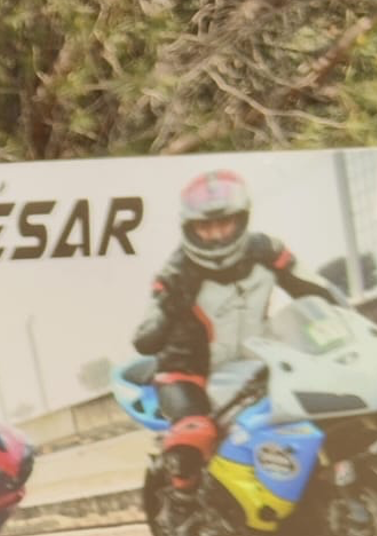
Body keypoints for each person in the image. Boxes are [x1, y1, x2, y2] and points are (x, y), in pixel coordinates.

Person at [128, 169, 338, 489]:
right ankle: (182, 503)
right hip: (188, 373)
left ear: (241, 219)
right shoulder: (175, 273)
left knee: (319, 407)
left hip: (258, 361)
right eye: (206, 226)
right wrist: (161, 316)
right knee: (194, 436)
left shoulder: (267, 252)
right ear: (190, 228)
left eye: (224, 223)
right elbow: (146, 334)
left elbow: (316, 291)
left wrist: (345, 317)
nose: (216, 235)